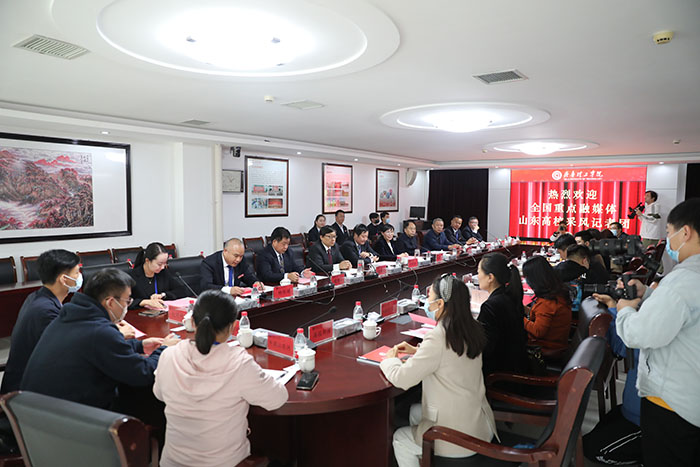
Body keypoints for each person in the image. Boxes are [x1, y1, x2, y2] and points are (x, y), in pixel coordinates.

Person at [153, 290, 288, 467]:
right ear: (232, 327)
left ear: (192, 322)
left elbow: (159, 394)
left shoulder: (169, 355)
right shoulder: (239, 363)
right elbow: (278, 399)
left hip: (173, 462)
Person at [616, 198, 700, 466]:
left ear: (685, 232)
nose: (669, 240)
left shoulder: (683, 280)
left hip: (673, 404)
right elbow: (685, 312)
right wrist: (650, 294)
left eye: (669, 232)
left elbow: (640, 334)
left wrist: (624, 310)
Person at [21, 268, 178, 409]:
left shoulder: (70, 315)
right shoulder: (100, 331)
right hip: (67, 418)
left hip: (36, 411)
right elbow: (142, 373)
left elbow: (97, 348)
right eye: (127, 301)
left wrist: (139, 345)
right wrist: (164, 350)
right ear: (110, 302)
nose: (128, 305)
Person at [381, 275, 496, 466]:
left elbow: (401, 378)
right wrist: (419, 351)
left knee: (400, 438)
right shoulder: (471, 327)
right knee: (415, 412)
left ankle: (432, 454)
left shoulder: (438, 337)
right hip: (479, 424)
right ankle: (427, 459)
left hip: (457, 439)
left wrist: (389, 360)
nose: (427, 303)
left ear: (440, 304)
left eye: (430, 298)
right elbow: (450, 357)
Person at [1, 249, 81, 394]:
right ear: (64, 279)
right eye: (76, 272)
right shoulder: (45, 311)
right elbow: (67, 353)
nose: (80, 276)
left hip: (27, 380)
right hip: (26, 392)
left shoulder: (37, 297)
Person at [583, 293, 642, 466]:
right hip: (630, 411)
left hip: (650, 420)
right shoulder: (647, 332)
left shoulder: (658, 335)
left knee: (593, 449)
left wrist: (622, 311)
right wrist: (613, 308)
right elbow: (621, 346)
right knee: (591, 437)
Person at [476, 253, 529, 376]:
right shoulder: (510, 296)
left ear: (490, 277)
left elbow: (485, 349)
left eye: (478, 272)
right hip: (516, 364)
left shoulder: (491, 306)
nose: (477, 276)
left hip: (500, 374)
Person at [521, 256, 572, 351]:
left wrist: (519, 318)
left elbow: (538, 331)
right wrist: (524, 309)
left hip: (546, 348)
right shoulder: (557, 292)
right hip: (557, 342)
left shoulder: (547, 303)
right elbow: (541, 316)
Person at [128, 242, 179, 310]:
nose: (163, 267)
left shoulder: (163, 273)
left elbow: (182, 290)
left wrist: (163, 295)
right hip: (140, 314)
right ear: (147, 261)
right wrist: (144, 302)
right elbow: (122, 301)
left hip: (161, 313)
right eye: (159, 264)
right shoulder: (132, 276)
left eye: (165, 263)